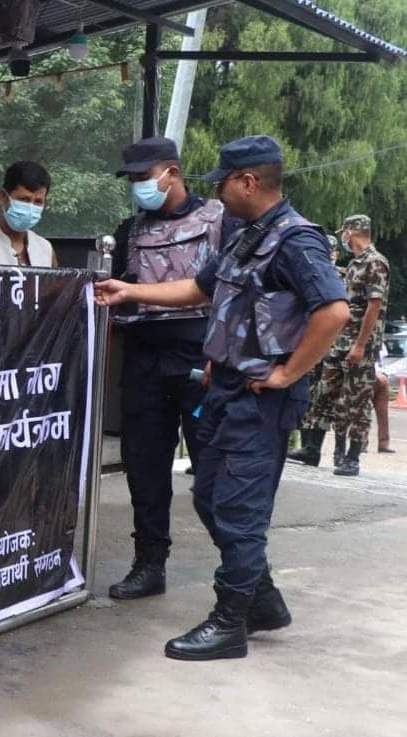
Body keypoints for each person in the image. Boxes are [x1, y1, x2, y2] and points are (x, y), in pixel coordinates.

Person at [94, 135, 348, 660]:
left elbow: (334, 312)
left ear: (249, 181)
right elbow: (200, 290)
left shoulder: (295, 240)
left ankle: (231, 621)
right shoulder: (248, 236)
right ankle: (264, 603)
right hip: (226, 386)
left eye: (226, 182)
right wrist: (130, 290)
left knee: (238, 507)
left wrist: (288, 373)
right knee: (210, 495)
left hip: (261, 396)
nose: (220, 193)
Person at [104, 136, 238, 601]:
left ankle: (243, 576)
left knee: (214, 474)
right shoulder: (130, 231)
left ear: (172, 173)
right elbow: (113, 297)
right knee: (144, 468)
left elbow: (233, 294)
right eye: (134, 180)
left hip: (202, 360)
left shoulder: (221, 221)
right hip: (144, 359)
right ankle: (149, 563)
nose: (139, 187)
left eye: (145, 177)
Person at [289, 214, 390, 475]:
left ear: (353, 231)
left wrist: (360, 344)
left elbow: (374, 307)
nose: (343, 237)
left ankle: (352, 457)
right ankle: (311, 449)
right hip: (339, 341)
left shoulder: (375, 262)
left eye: (344, 232)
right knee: (324, 392)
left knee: (355, 400)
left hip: (359, 344)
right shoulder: (355, 263)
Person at [0, 161, 57, 267]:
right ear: (3, 197)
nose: (30, 207)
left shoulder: (45, 249)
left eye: (38, 202)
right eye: (23, 200)